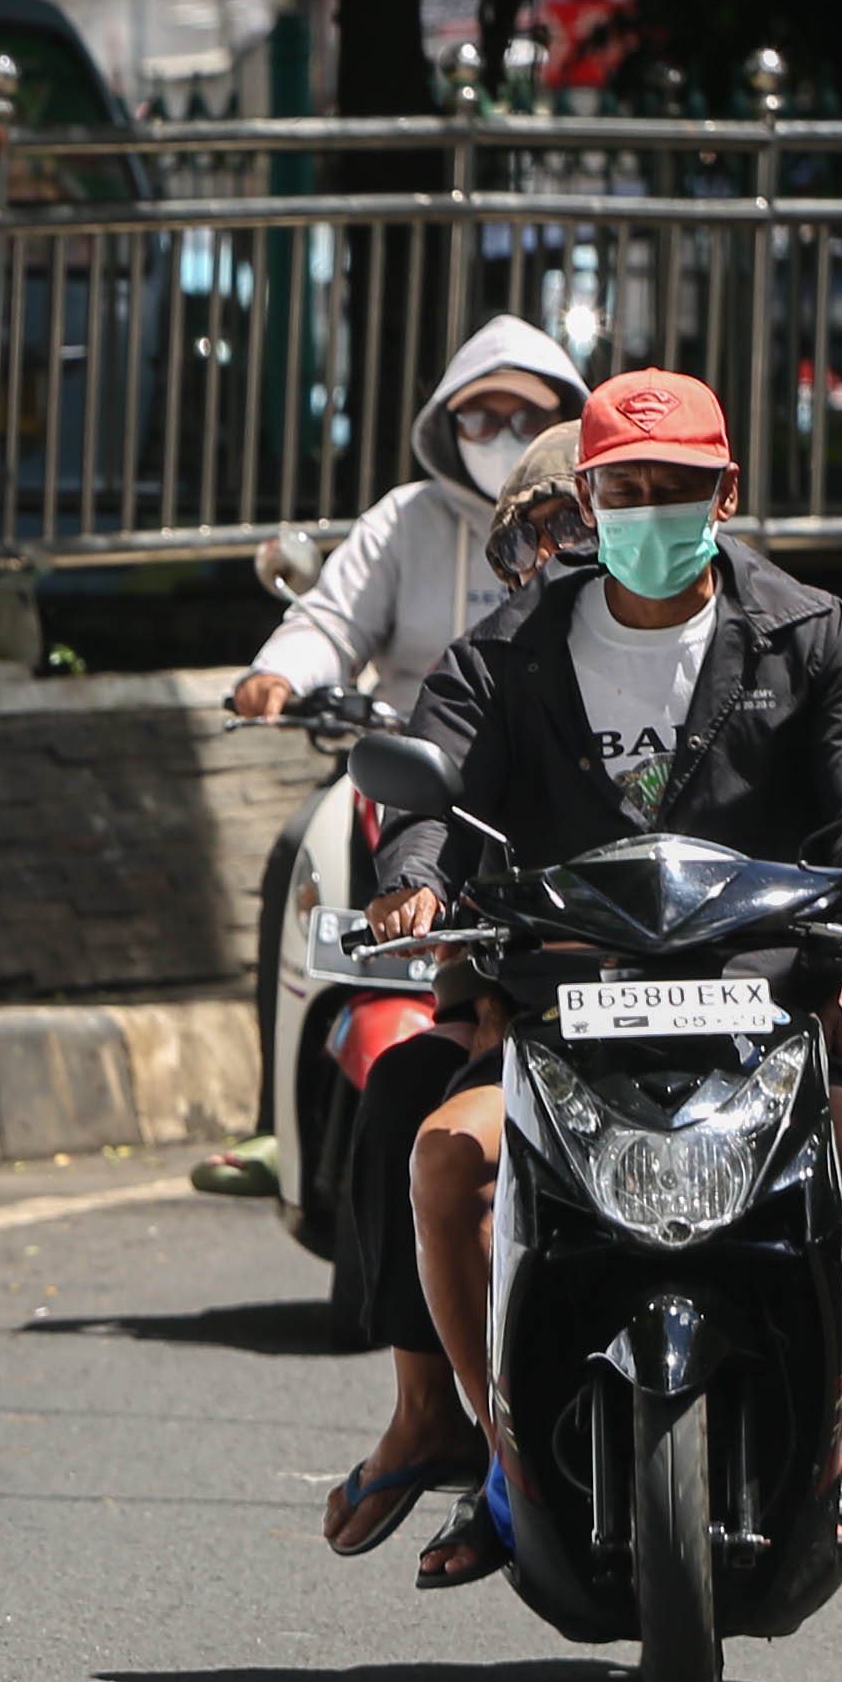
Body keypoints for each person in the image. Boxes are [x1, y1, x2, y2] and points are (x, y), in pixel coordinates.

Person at [352, 371, 842, 1586]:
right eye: (626, 489)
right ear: (587, 496)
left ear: (726, 491)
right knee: (433, 1144)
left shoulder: (811, 633)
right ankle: (470, 1435)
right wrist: (417, 874)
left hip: (765, 989)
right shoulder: (502, 651)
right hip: (559, 997)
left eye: (678, 489)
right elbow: (426, 786)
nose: (650, 510)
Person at [248, 325, 590, 1550]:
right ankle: (431, 1407)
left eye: (608, 517)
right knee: (419, 1109)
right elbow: (436, 809)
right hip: (528, 980)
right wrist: (433, 902)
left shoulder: (764, 636)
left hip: (691, 986)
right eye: (535, 539)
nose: (570, 559)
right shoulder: (484, 669)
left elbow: (837, 803)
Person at [225, 314, 588, 725]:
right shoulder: (404, 519)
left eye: (528, 420)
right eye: (481, 421)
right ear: (449, 428)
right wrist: (283, 671)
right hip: (410, 760)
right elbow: (335, 622)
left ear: (567, 420)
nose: (504, 437)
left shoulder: (599, 521)